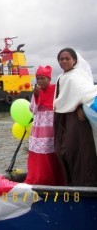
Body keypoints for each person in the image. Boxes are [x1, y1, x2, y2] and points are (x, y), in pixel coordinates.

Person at [53, 48, 97, 186]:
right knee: (62, 151)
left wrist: (79, 107)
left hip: (76, 120)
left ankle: (86, 184)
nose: (64, 61)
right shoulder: (61, 77)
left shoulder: (77, 76)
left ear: (75, 60)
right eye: (61, 59)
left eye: (67, 58)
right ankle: (70, 182)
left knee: (78, 151)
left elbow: (87, 93)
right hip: (62, 117)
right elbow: (63, 96)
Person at [24, 65, 64, 185]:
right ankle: (39, 178)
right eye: (38, 79)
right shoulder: (37, 91)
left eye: (42, 78)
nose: (40, 81)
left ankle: (54, 179)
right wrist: (36, 96)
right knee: (40, 151)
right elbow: (33, 110)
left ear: (49, 79)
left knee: (51, 150)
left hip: (51, 126)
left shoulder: (56, 89)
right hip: (39, 127)